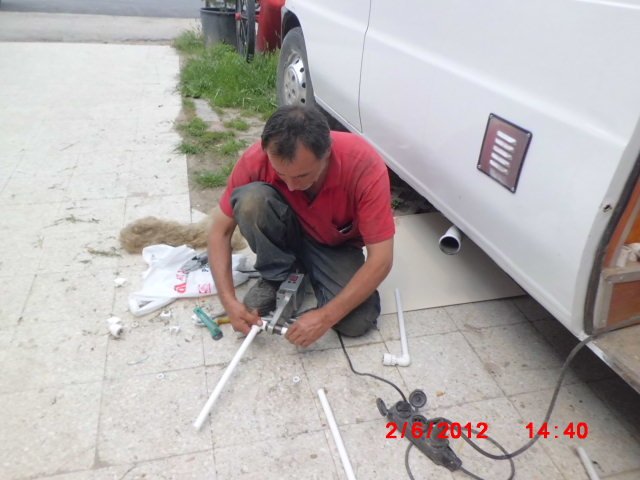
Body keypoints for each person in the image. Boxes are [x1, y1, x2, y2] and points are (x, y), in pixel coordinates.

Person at [207, 105, 395, 347]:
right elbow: (219, 232)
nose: (291, 186)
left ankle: (307, 273)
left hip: (334, 246)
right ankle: (278, 275)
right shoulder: (256, 158)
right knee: (250, 201)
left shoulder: (363, 164)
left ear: (327, 153)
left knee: (357, 322)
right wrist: (229, 302)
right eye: (281, 174)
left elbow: (381, 259)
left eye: (302, 176)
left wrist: (324, 317)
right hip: (285, 231)